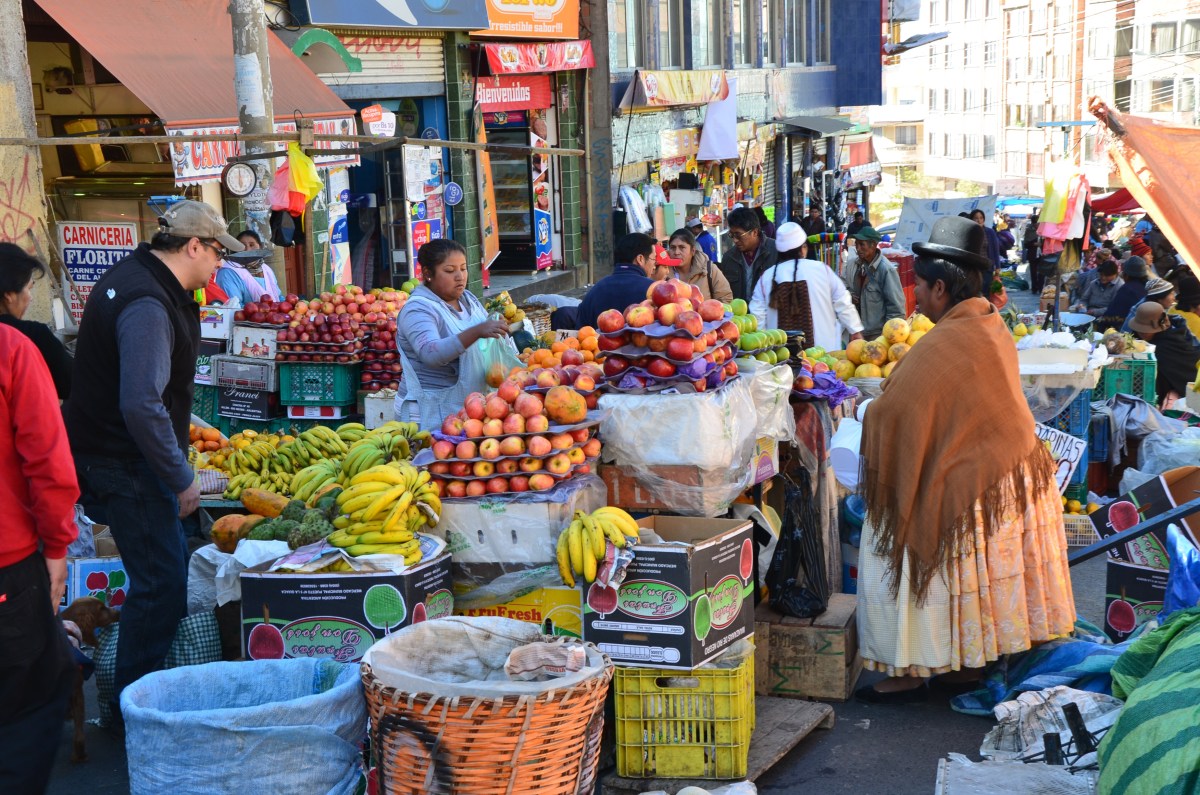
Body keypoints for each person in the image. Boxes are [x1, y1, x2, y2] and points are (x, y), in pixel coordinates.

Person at [854, 215, 1075, 703]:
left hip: (977, 478)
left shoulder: (947, 339)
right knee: (966, 572)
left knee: (892, 540)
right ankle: (963, 667)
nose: (917, 300)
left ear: (939, 287)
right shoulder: (986, 321)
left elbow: (900, 411)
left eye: (922, 289)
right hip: (1005, 470)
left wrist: (867, 410)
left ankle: (910, 669)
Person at [65, 200, 242, 723]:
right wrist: (180, 476)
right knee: (160, 586)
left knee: (160, 578)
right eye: (216, 253)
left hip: (121, 457)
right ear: (192, 246)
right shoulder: (147, 301)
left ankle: (136, 706)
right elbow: (140, 401)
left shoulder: (140, 278)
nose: (220, 265)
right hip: (127, 463)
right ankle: (135, 715)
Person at [0, 323, 79, 793]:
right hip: (9, 566)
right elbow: (47, 458)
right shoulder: (11, 349)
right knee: (30, 698)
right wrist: (56, 546)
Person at [393, 239, 512, 430]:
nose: (460, 277)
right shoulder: (418, 310)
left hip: (469, 410)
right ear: (427, 273)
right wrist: (477, 332)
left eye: (463, 269)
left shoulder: (468, 300)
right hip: (428, 413)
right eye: (449, 271)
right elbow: (430, 354)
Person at [748, 222, 864, 350]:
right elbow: (843, 302)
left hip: (781, 360)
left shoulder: (766, 277)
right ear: (803, 248)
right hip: (825, 355)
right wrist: (855, 330)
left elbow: (757, 318)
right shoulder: (822, 270)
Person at [0, 243, 72, 399]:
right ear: (9, 295)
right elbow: (71, 384)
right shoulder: (32, 337)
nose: (30, 298)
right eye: (28, 288)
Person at [576, 233, 671, 332]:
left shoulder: (594, 291)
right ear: (640, 259)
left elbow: (581, 333)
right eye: (654, 259)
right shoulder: (653, 292)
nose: (654, 266)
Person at [1129, 302, 1200, 409]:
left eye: (1146, 330)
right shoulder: (1140, 337)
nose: (1142, 333)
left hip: (1175, 392)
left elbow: (1186, 373)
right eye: (1140, 330)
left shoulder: (1171, 343)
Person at [843, 226, 906, 340]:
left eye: (862, 245)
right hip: (860, 333)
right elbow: (845, 285)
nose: (858, 248)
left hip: (878, 336)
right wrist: (850, 295)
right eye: (856, 244)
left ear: (873, 245)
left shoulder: (886, 269)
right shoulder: (856, 264)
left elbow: (896, 310)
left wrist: (886, 338)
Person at [719, 207, 779, 303]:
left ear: (754, 232)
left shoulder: (776, 252)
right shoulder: (728, 258)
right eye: (731, 235)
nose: (735, 240)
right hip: (739, 317)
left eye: (738, 235)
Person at [214, 230, 281, 306]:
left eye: (252, 245)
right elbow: (233, 306)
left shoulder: (266, 269)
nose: (247, 250)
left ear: (260, 247)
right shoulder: (227, 272)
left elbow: (278, 296)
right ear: (235, 249)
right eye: (242, 246)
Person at [665, 229, 734, 302]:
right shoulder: (663, 272)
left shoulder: (709, 270)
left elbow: (725, 298)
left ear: (693, 251)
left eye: (682, 247)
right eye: (672, 248)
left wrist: (709, 311)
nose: (676, 252)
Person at [1098, 255, 1150, 327]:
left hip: (1132, 330)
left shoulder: (1127, 289)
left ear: (1127, 276)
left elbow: (1111, 315)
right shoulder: (1150, 286)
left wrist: (1100, 325)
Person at [1024, 212, 1044, 293]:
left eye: (1038, 223)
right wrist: (1034, 244)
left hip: (1041, 254)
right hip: (1032, 254)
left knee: (1042, 272)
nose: (1037, 225)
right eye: (1036, 223)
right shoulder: (1029, 230)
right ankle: (1034, 288)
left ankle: (1041, 287)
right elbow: (1026, 244)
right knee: (1033, 272)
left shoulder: (1043, 230)